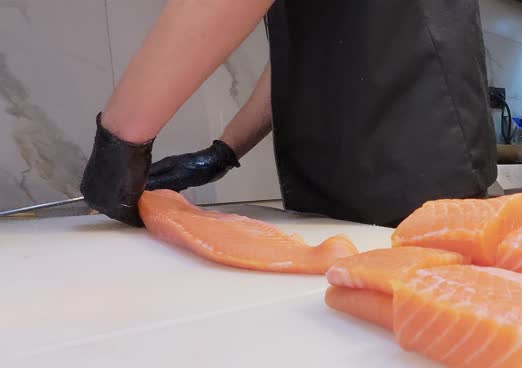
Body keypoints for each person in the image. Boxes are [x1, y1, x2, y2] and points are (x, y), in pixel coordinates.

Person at [80, 0, 497, 227]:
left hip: (411, 175)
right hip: (356, 190)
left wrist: (121, 143)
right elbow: (309, 56)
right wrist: (223, 151)